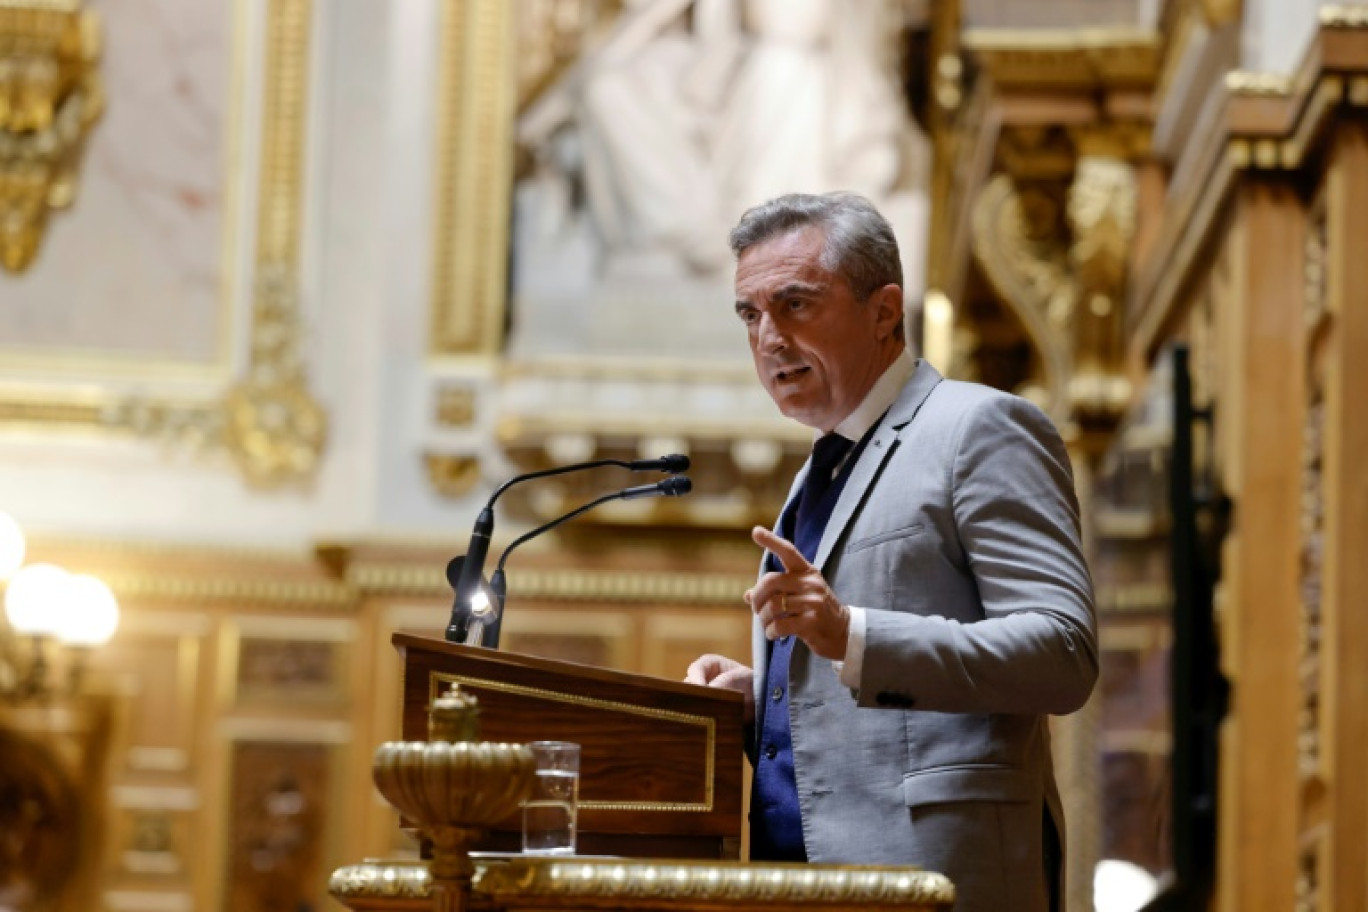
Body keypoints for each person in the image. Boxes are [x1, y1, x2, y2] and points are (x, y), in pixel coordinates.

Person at [686, 192, 1097, 912]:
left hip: (936, 882)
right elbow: (867, 687)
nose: (768, 338)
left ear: (883, 311)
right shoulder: (816, 472)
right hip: (792, 886)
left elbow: (1062, 655)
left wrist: (851, 635)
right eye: (750, 314)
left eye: (795, 304)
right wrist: (766, 699)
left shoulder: (978, 428)